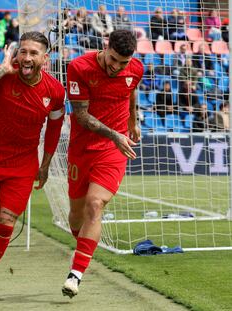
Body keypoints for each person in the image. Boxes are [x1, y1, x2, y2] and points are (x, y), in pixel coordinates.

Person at [0, 31, 65, 304]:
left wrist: (46, 163)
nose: (27, 58)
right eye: (23, 52)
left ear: (45, 58)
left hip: (22, 168)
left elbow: (54, 128)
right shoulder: (4, 75)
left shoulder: (54, 91)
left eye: (33, 53)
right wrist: (0, 71)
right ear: (16, 54)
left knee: (5, 225)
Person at [63, 29, 143, 298]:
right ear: (105, 48)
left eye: (123, 62)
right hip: (83, 147)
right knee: (76, 215)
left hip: (113, 148)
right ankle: (83, 247)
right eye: (113, 59)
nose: (117, 67)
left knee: (94, 205)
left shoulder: (135, 69)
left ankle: (75, 274)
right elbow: (82, 116)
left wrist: (132, 121)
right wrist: (116, 134)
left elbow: (130, 91)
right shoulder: (78, 67)